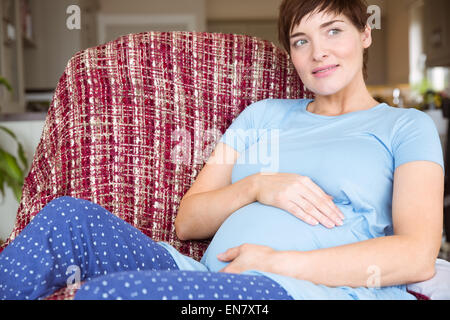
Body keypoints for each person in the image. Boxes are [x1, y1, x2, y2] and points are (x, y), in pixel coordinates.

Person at [0, 0, 444, 300]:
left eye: (333, 31)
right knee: (66, 219)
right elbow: (189, 220)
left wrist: (275, 262)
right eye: (301, 40)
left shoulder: (405, 126)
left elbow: (418, 254)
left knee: (109, 294)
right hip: (201, 279)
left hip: (295, 291)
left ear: (365, 34)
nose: (318, 53)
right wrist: (257, 186)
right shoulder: (263, 115)